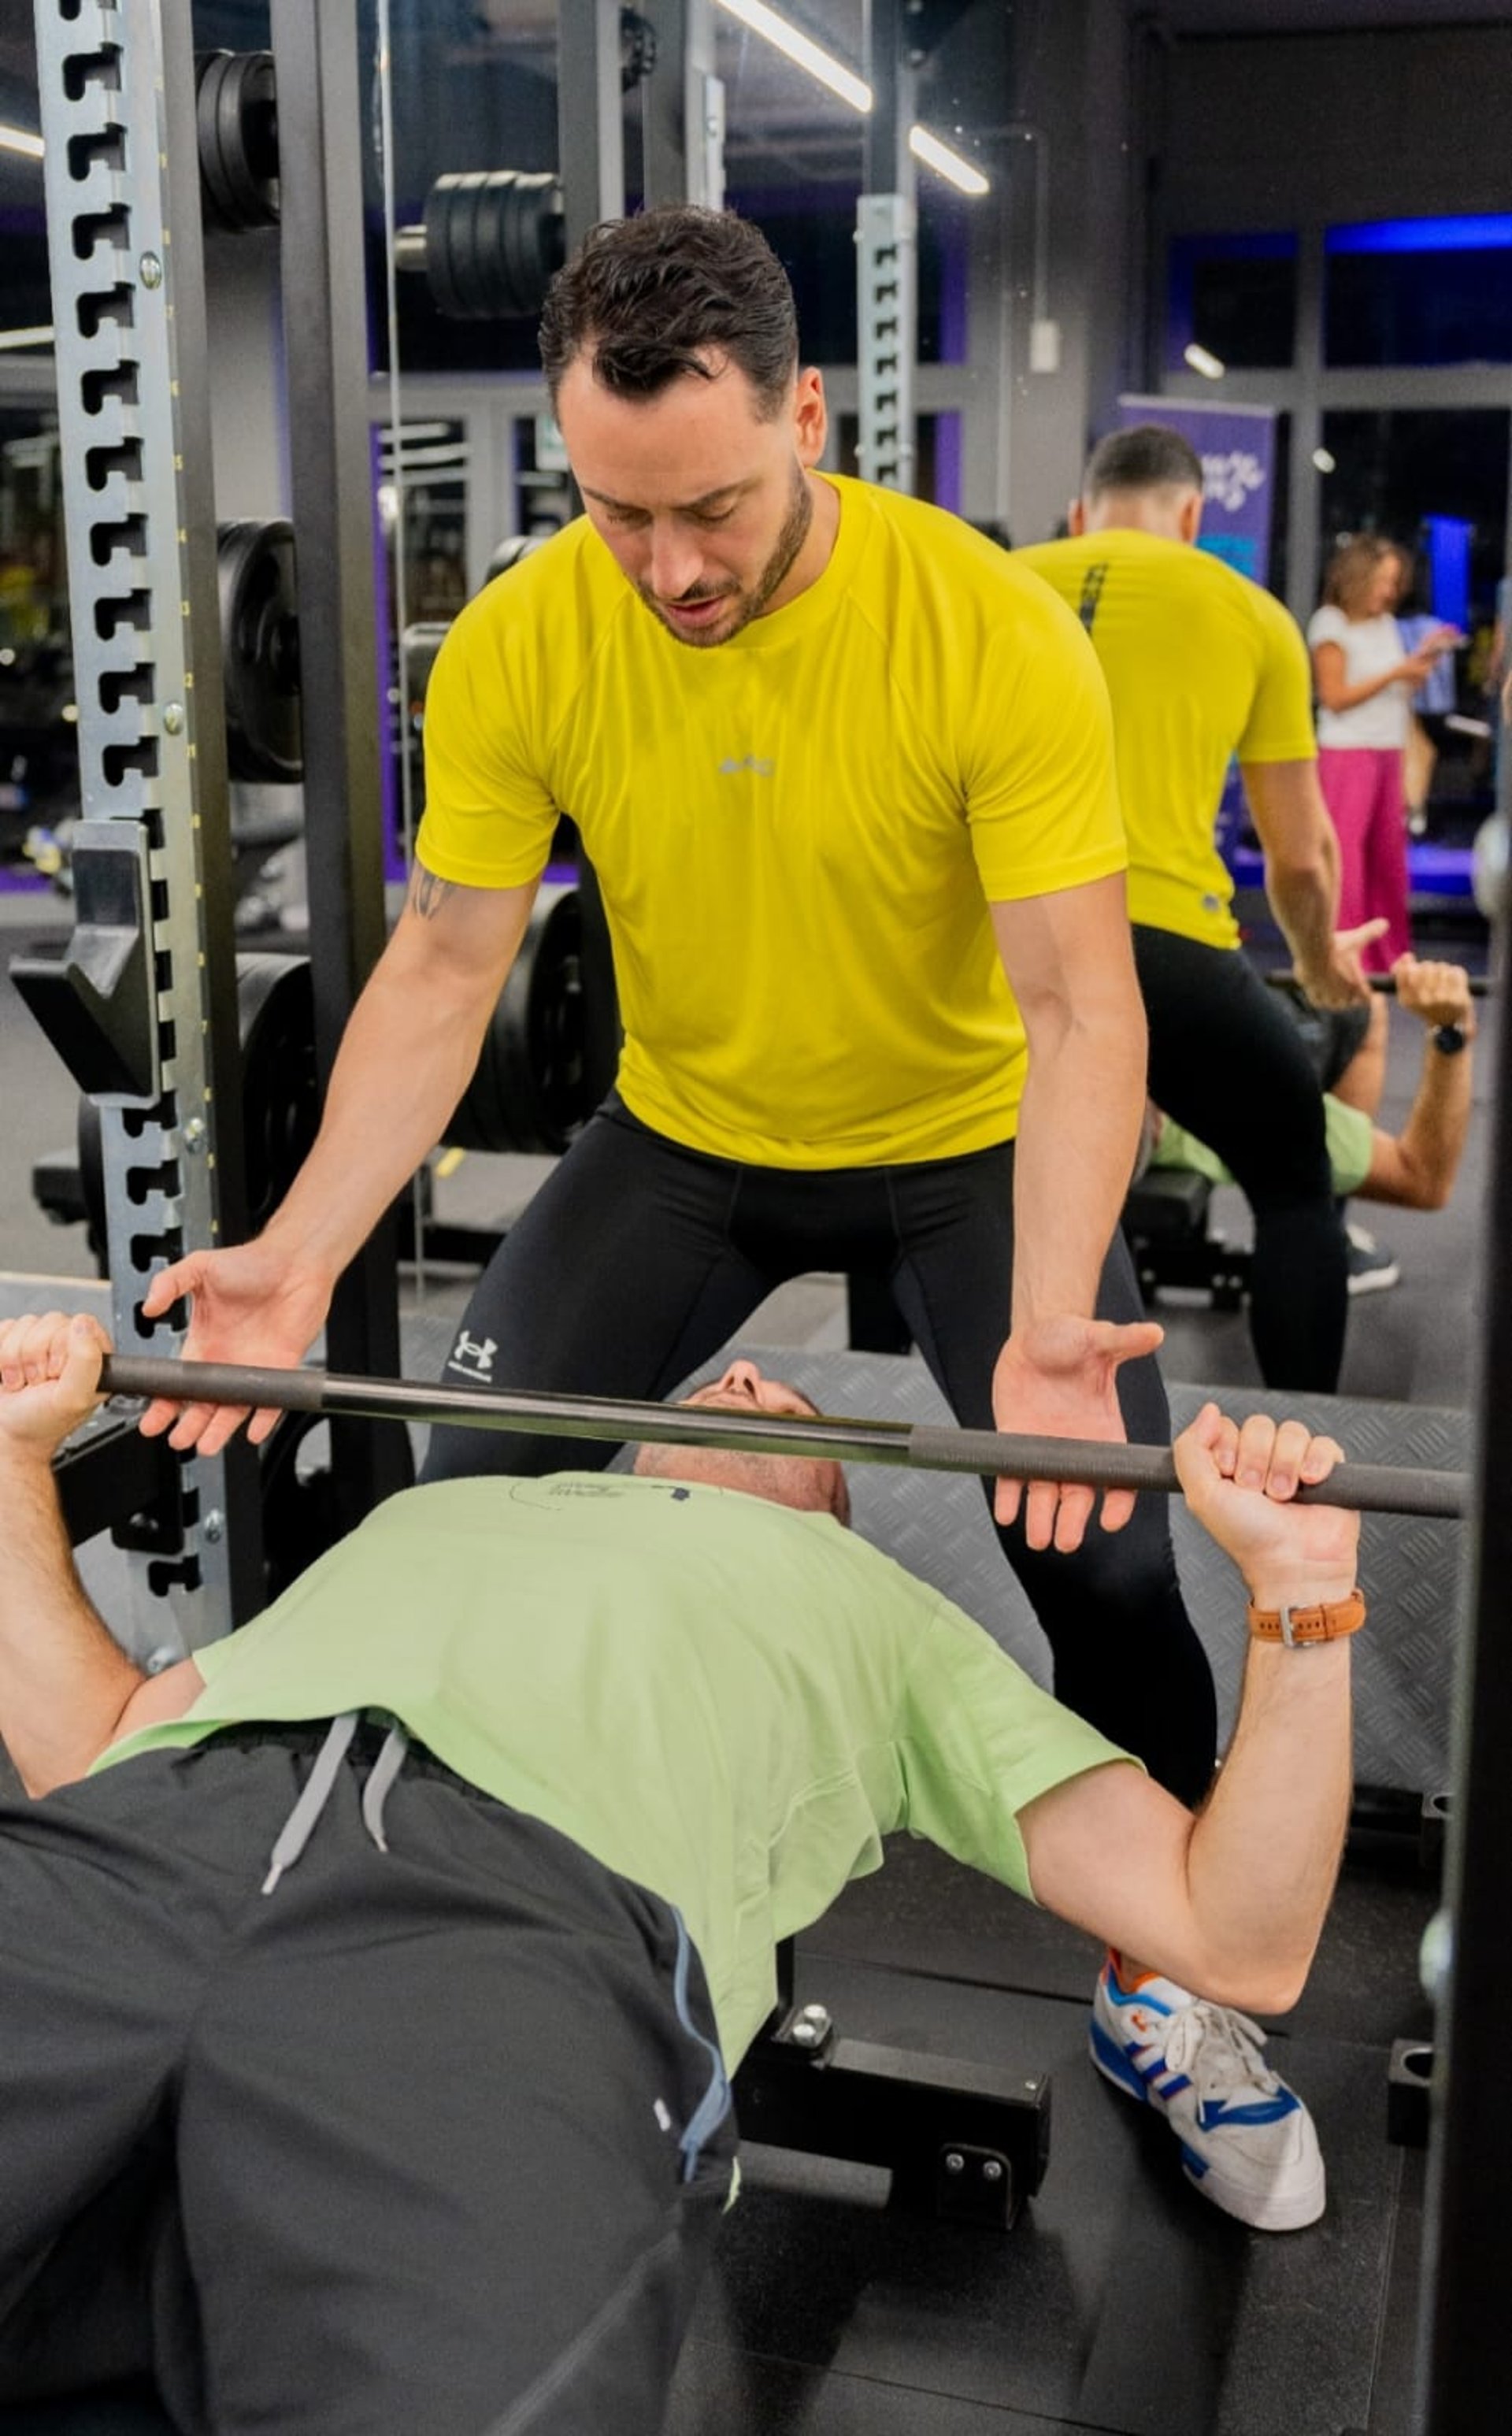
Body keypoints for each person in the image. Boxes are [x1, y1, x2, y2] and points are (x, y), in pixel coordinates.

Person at [139, 218, 1221, 1911]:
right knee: (460, 1505)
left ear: (808, 417)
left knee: (1111, 1563)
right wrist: (300, 1248)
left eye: (710, 506)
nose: (669, 570)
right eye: (616, 511)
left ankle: (1170, 1977)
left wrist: (1050, 1305)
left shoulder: (988, 632)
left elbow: (1083, 1006)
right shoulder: (523, 639)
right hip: (688, 1144)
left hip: (966, 1154)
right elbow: (444, 966)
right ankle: (468, 1911)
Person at [0, 1310, 1362, 2426]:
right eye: (725, 1378)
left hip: (517, 1933)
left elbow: (1237, 1938)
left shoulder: (886, 1619)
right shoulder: (436, 1514)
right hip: (138, 1850)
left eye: (789, 1404)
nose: (749, 1371)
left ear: (831, 1507)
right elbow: (87, 1745)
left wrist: (1300, 1596)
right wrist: (12, 1452)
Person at [1014, 423, 1371, 1399]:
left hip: (994, 948)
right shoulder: (1250, 611)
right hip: (1159, 949)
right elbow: (1301, 857)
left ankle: (888, 1403)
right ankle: (1298, 1440)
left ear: (1081, 514)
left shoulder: (999, 583)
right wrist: (1319, 966)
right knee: (1293, 1182)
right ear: (1192, 517)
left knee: (915, 1174)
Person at [1147, 955, 1480, 1292]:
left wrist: (1312, 954)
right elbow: (1422, 1177)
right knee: (1356, 1006)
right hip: (1164, 1080)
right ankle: (1316, 1232)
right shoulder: (1219, 1085)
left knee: (1361, 1005)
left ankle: (1324, 1216)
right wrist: (1451, 1029)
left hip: (1164, 1011)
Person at [1309, 535, 1458, 968]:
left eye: (1395, 582)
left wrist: (1422, 661)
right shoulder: (1331, 623)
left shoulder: (1387, 624)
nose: (1389, 591)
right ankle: (1345, 953)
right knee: (1346, 856)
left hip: (1388, 749)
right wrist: (1396, 672)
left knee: (1387, 856)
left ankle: (1390, 955)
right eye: (1382, 581)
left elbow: (1397, 687)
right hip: (1347, 751)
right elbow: (1334, 697)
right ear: (1358, 578)